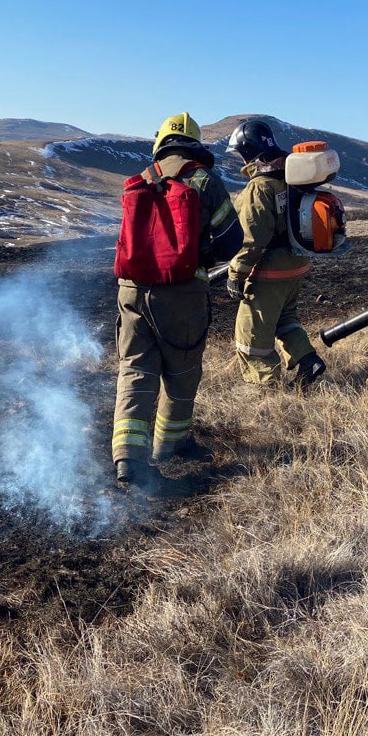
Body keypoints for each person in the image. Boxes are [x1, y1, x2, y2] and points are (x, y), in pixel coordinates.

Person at [111, 112, 240, 486]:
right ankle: (171, 445)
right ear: (195, 145)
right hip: (181, 293)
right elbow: (232, 240)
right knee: (181, 372)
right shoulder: (204, 180)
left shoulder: (142, 180)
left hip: (131, 291)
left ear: (161, 143)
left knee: (135, 369)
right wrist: (201, 255)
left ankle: (128, 460)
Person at [225, 119, 327, 388]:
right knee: (285, 319)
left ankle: (267, 389)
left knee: (252, 335)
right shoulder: (292, 178)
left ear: (248, 152)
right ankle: (308, 360)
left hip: (268, 271)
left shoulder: (260, 187)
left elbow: (251, 239)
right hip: (297, 264)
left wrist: (236, 274)